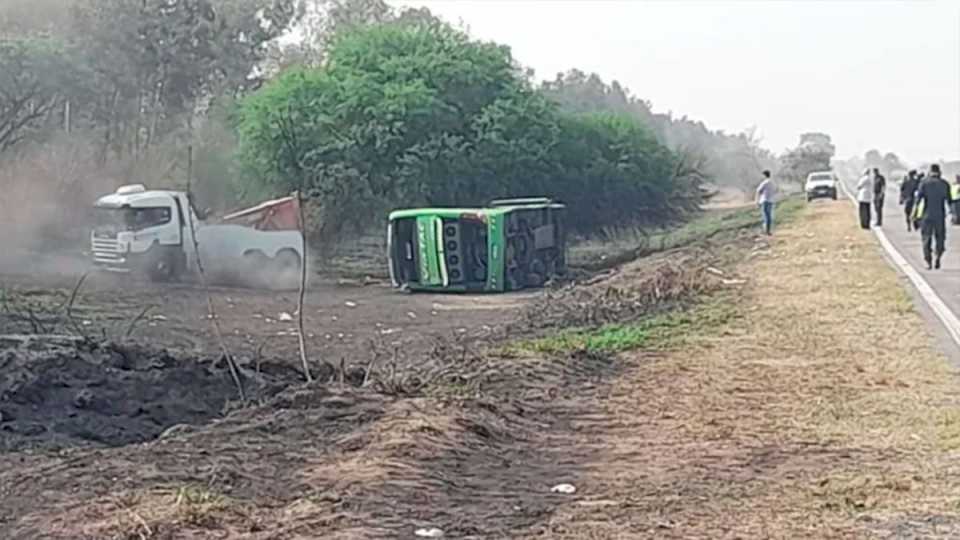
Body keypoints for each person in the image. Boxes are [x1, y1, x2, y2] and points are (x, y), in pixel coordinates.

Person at [915, 164, 954, 269]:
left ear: (930, 171)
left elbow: (918, 200)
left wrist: (914, 215)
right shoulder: (944, 184)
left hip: (927, 215)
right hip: (940, 215)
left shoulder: (924, 183)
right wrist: (953, 214)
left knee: (926, 238)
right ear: (939, 172)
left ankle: (928, 261)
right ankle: (938, 256)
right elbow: (949, 201)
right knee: (940, 238)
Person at [755, 170, 775, 235]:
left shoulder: (764, 183)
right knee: (769, 216)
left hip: (765, 201)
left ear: (764, 175)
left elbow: (758, 191)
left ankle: (766, 230)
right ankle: (768, 230)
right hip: (771, 201)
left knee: (766, 216)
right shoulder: (772, 183)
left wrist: (757, 201)